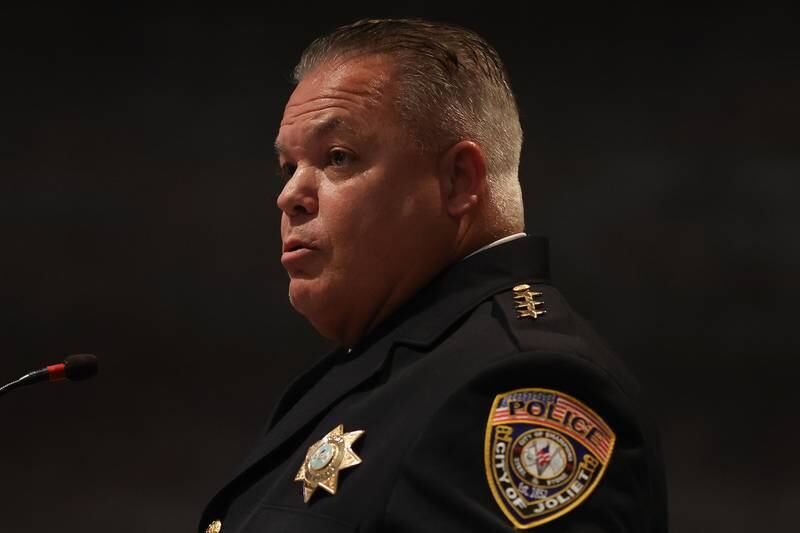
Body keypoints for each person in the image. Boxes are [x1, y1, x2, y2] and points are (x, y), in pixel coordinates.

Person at [199, 18, 667, 532]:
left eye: (337, 158)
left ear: (458, 180)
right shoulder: (393, 367)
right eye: (289, 168)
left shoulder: (521, 386)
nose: (289, 196)